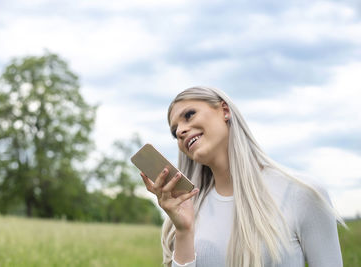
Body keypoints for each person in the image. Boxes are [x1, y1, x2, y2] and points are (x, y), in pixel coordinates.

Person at [140, 86, 344, 267]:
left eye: (189, 115)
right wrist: (184, 232)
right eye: (175, 132)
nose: (181, 130)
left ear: (225, 111)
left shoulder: (302, 192)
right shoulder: (189, 211)